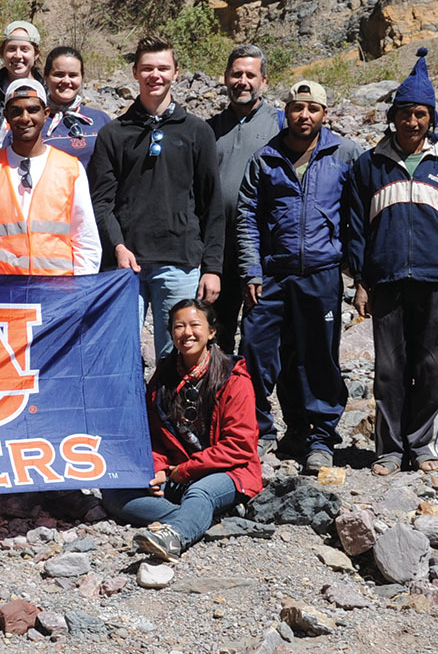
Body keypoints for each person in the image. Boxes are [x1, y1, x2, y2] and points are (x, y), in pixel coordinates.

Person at [345, 47, 438, 476]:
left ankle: (423, 446)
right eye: (405, 114)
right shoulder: (370, 165)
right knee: (389, 368)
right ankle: (388, 448)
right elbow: (354, 227)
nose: (412, 122)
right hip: (385, 280)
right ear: (394, 116)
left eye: (420, 114)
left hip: (437, 279)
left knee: (432, 366)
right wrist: (361, 280)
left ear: (431, 118)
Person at [236, 80, 360, 473]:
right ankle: (258, 433)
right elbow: (247, 219)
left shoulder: (344, 154)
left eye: (312, 109)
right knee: (256, 353)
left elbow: (357, 215)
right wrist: (251, 270)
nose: (303, 116)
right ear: (285, 111)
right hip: (271, 275)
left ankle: (319, 437)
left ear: (325, 114)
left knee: (317, 357)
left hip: (321, 275)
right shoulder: (265, 158)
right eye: (296, 108)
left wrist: (354, 271)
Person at [89, 35, 225, 357]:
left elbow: (212, 205)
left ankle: (168, 411)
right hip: (126, 267)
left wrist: (212, 267)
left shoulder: (196, 131)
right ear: (135, 72)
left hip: (181, 263)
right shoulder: (114, 133)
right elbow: (101, 202)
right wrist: (118, 247)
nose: (155, 75)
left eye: (163, 68)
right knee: (117, 353)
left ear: (176, 72)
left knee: (178, 357)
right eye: (147, 68)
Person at [101, 299, 262, 561]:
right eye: (179, 326)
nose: (187, 333)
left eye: (195, 325)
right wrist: (157, 468)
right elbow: (152, 434)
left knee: (201, 492)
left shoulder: (233, 378)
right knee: (115, 492)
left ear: (211, 332)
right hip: (178, 472)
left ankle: (174, 536)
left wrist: (182, 471)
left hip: (231, 471)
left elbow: (240, 444)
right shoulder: (164, 376)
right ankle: (195, 517)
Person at [0, 78, 100, 275]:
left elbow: (85, 239)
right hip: (3, 294)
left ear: (46, 114)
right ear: (6, 117)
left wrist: (81, 292)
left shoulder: (71, 169)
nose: (25, 118)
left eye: (33, 110)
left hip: (58, 293)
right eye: (17, 111)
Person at [207, 45, 285, 353]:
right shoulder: (208, 130)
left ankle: (254, 398)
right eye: (236, 74)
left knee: (260, 336)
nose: (243, 81)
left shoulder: (280, 126)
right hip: (219, 252)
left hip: (263, 252)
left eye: (250, 75)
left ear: (264, 81)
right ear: (225, 78)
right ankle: (220, 395)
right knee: (218, 331)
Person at [1, 46, 112, 169]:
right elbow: (8, 167)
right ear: (46, 77)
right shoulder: (28, 123)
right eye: (59, 74)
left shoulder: (101, 120)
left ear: (81, 78)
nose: (66, 81)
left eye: (73, 75)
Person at [0, 20, 44, 157]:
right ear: (2, 53)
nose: (17, 55)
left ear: (36, 54)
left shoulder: (47, 92)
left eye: (24, 49)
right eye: (11, 49)